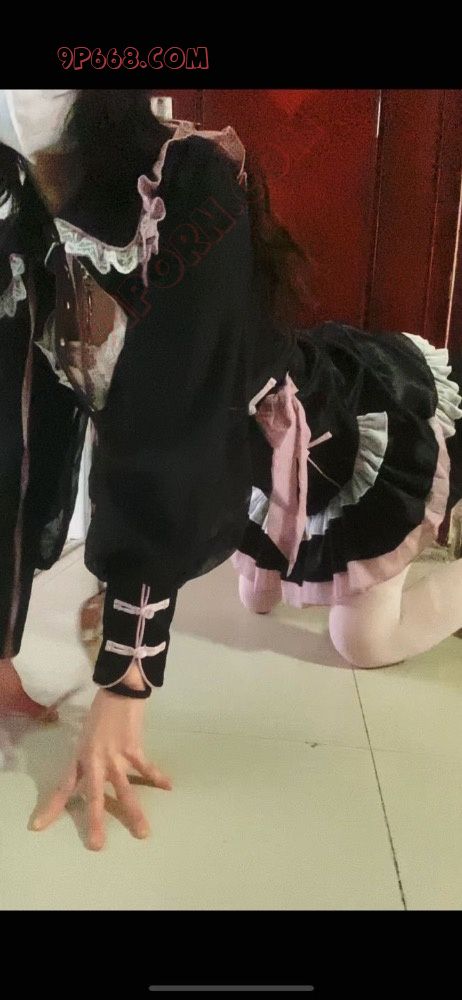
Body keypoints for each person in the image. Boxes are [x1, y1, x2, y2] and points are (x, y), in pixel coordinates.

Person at [0, 89, 461, 852]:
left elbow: (175, 425)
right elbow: (19, 423)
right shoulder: (16, 199)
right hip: (241, 478)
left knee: (364, 641)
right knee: (258, 591)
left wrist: (126, 677)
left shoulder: (185, 183)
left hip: (331, 445)